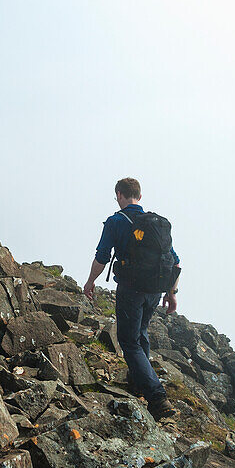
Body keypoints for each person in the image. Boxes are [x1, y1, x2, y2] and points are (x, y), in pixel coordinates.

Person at [83, 177, 181, 420]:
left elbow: (102, 256)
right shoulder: (156, 225)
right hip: (154, 290)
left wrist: (90, 281)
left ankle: (157, 397)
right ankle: (139, 381)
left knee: (129, 341)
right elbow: (176, 262)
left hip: (130, 289)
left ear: (119, 195)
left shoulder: (116, 221)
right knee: (141, 333)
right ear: (139, 195)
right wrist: (172, 293)